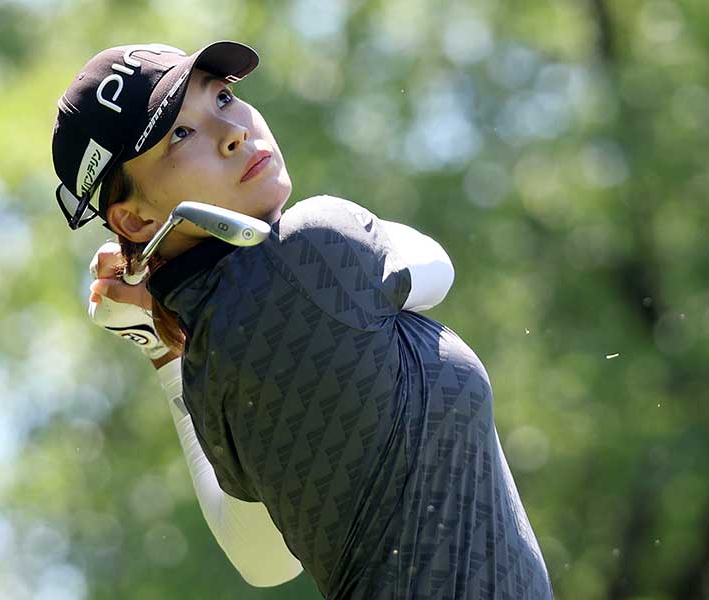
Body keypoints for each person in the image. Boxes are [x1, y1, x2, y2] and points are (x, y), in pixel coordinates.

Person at [51, 40, 553, 599]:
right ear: (136, 218)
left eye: (222, 97)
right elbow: (436, 267)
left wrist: (166, 354)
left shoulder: (211, 365)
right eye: (180, 135)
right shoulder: (312, 245)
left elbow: (262, 561)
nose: (233, 131)